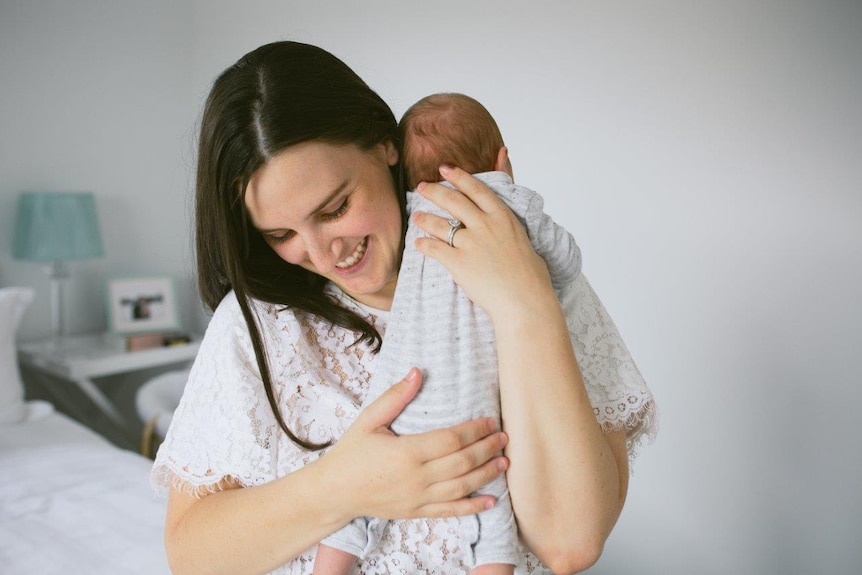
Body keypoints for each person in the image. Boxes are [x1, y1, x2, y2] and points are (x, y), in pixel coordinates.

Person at [151, 41, 657, 575]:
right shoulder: (259, 323)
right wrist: (343, 485)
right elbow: (191, 555)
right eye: (281, 234)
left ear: (383, 145)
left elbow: (570, 543)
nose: (324, 253)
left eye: (335, 208)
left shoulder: (538, 277)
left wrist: (523, 304)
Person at [313, 92, 581, 575]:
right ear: (501, 160)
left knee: (357, 496)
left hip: (398, 392)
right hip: (469, 405)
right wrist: (512, 195)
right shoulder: (506, 209)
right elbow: (564, 263)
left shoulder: (411, 209)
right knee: (488, 506)